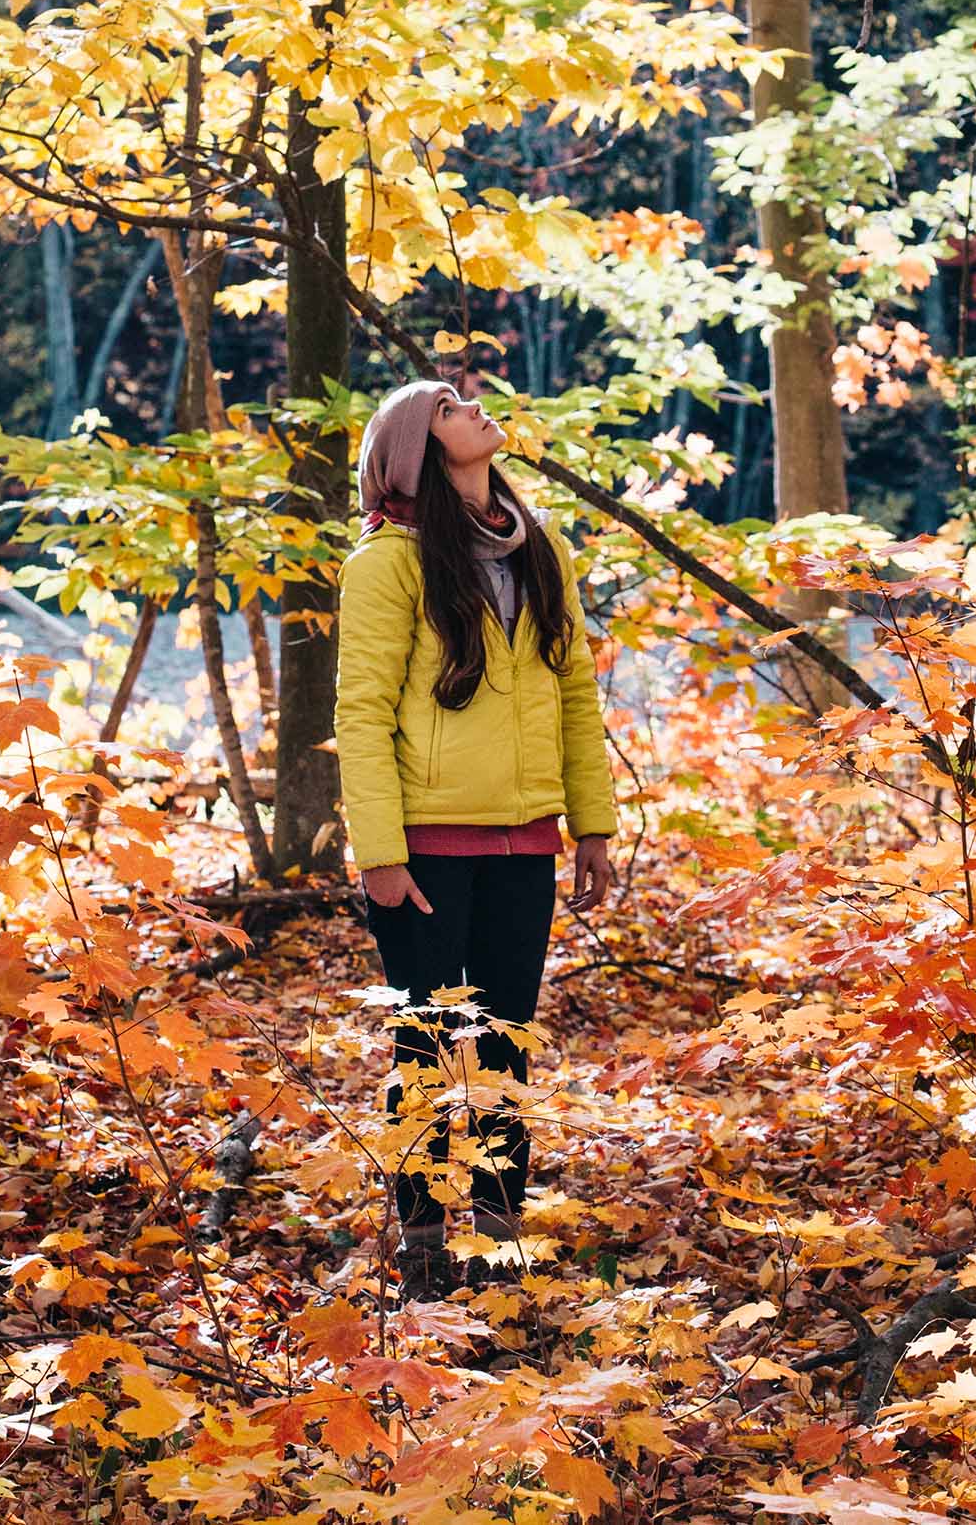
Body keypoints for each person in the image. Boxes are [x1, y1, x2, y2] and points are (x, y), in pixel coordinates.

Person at [334, 377, 618, 1300]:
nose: (476, 405)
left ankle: (498, 1238)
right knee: (425, 1044)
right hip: (422, 849)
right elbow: (362, 710)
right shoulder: (388, 562)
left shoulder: (539, 547)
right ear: (419, 445)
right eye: (450, 404)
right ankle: (421, 1240)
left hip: (524, 844)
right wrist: (378, 850)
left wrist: (593, 827)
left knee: (505, 1045)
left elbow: (574, 691)